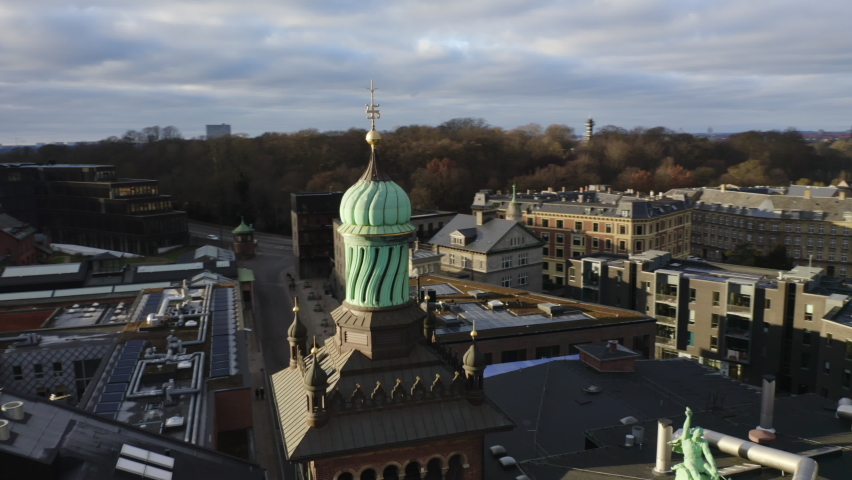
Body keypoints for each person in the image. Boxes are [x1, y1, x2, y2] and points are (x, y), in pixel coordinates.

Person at [669, 407, 722, 480]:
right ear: (693, 432)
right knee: (698, 478)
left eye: (701, 432)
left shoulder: (703, 442)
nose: (701, 433)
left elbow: (708, 454)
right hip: (690, 462)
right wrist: (689, 417)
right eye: (699, 431)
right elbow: (686, 428)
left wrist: (714, 467)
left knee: (715, 475)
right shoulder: (686, 439)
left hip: (700, 462)